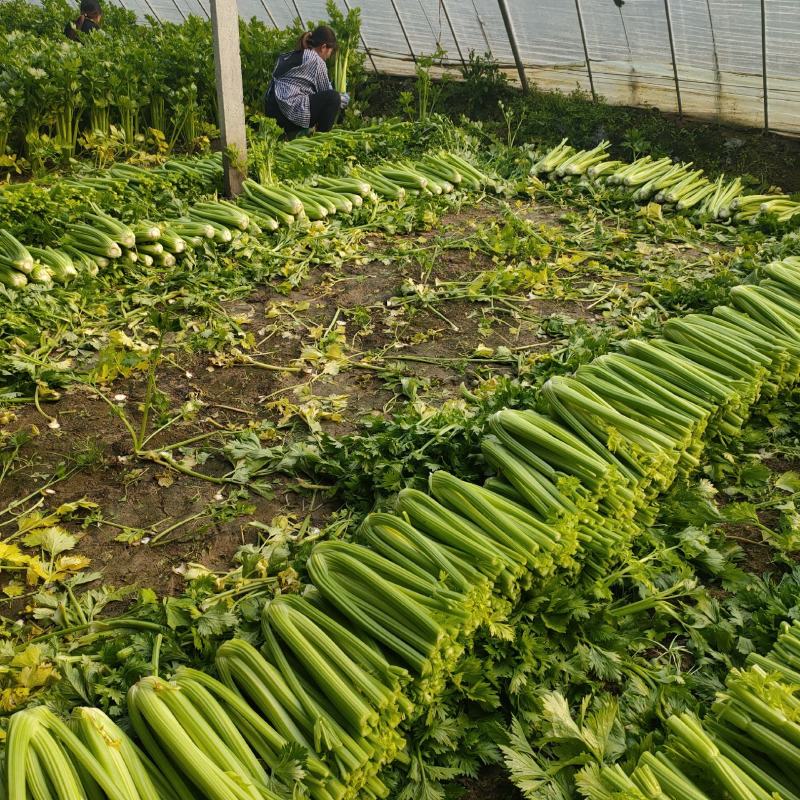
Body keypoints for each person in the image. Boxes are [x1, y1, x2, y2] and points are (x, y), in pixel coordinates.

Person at [264, 26, 350, 139]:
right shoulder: (315, 60)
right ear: (324, 47)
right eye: (330, 51)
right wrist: (342, 98)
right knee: (333, 98)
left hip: (272, 109)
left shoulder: (293, 54)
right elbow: (325, 92)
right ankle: (321, 140)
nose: (329, 56)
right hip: (286, 113)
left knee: (321, 97)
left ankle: (290, 135)